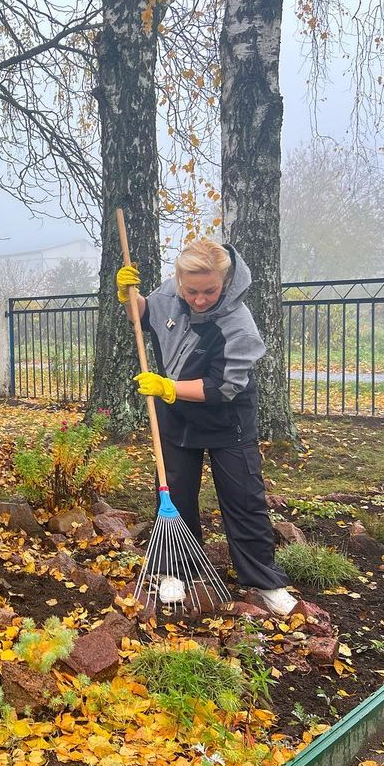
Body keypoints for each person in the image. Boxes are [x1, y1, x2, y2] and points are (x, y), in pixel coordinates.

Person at [116, 239, 297, 617]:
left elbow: (223, 387)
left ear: (226, 282)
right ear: (179, 280)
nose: (199, 299)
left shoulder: (238, 324)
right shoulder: (169, 294)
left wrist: (167, 386)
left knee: (243, 498)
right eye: (191, 290)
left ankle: (264, 581)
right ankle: (174, 571)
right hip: (177, 416)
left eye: (210, 291)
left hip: (226, 418)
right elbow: (143, 317)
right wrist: (128, 296)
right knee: (175, 495)